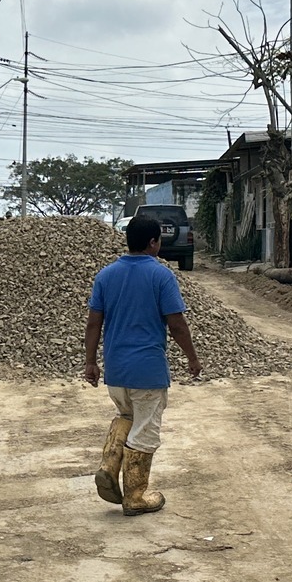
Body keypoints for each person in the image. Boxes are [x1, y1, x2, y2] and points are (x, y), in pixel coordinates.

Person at [84, 215, 202, 515]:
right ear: (153, 242)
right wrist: (192, 357)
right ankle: (135, 496)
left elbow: (94, 323)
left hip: (116, 371)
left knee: (126, 415)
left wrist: (91, 362)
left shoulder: (106, 276)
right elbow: (176, 324)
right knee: (145, 430)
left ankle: (109, 465)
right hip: (147, 372)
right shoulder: (161, 276)